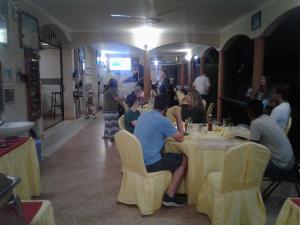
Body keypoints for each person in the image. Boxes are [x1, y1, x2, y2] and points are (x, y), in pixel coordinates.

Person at [134, 95, 188, 207]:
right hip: (150, 163)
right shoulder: (163, 120)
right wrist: (178, 117)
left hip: (138, 160)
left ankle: (171, 189)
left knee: (169, 155)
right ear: (166, 108)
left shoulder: (143, 116)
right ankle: (170, 195)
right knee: (183, 159)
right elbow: (181, 137)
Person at [247, 99, 295, 176]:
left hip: (280, 166)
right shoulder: (266, 117)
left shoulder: (256, 123)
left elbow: (253, 149)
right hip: (289, 163)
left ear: (249, 111)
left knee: (246, 162)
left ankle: (249, 186)